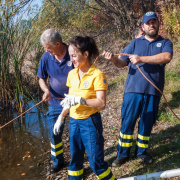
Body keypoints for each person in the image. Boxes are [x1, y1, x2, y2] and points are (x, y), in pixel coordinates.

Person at [103, 12, 173, 167]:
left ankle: (141, 153)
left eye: (154, 22)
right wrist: (113, 59)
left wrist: (141, 59)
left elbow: (166, 57)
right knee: (127, 122)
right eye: (148, 23)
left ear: (158, 24)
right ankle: (122, 155)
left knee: (147, 123)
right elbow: (122, 62)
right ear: (143, 26)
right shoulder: (135, 43)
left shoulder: (166, 42)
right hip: (133, 90)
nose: (151, 25)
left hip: (153, 91)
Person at [54, 36, 116, 180]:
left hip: (90, 122)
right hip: (74, 122)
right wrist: (61, 117)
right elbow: (69, 101)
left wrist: (81, 100)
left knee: (96, 162)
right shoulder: (72, 74)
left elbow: (101, 103)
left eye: (74, 55)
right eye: (70, 55)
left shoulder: (97, 75)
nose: (71, 59)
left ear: (86, 54)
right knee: (75, 160)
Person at [37, 29, 73, 173]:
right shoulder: (46, 57)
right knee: (54, 133)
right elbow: (41, 78)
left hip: (75, 102)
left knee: (76, 132)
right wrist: (46, 91)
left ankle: (78, 158)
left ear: (58, 44)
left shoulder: (73, 52)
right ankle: (58, 161)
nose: (47, 50)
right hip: (55, 104)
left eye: (49, 47)